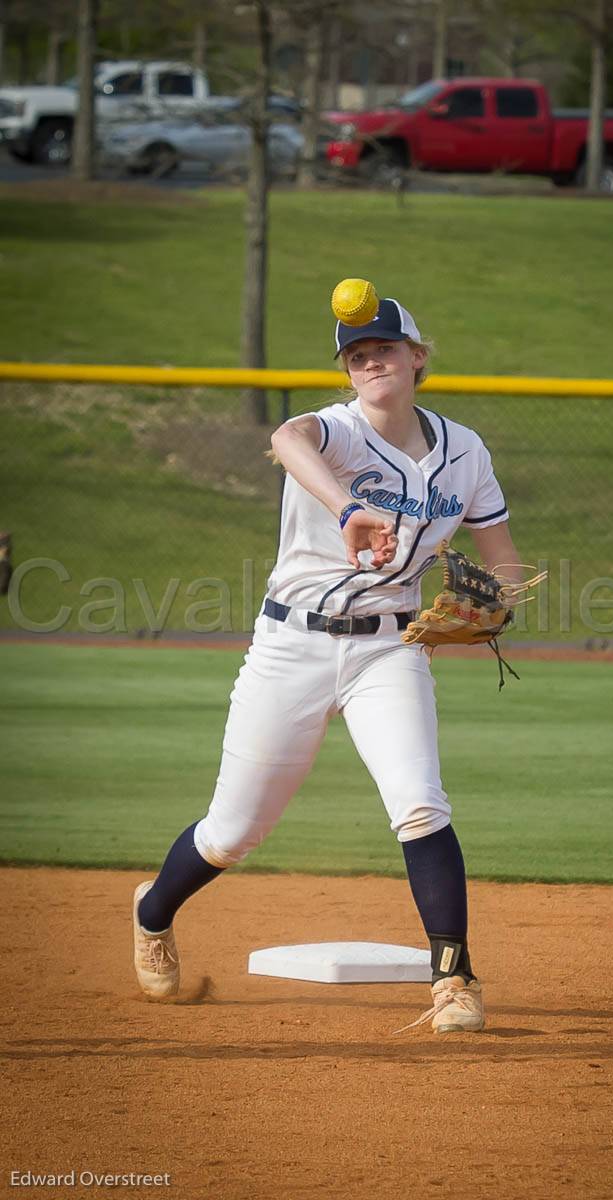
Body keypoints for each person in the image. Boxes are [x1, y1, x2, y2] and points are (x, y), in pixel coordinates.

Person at [132, 294, 525, 1033]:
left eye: (383, 346)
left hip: (388, 648)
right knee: (232, 833)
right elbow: (286, 438)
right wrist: (349, 510)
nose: (370, 359)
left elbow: (501, 555)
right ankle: (153, 914)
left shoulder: (466, 450)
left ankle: (454, 981)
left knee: (419, 802)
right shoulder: (333, 431)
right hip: (293, 646)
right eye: (355, 354)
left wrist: (500, 603)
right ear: (348, 372)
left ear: (417, 356)